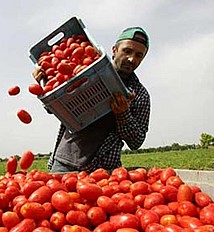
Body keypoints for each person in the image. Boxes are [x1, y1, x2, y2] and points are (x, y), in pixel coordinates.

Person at [33, 27, 151, 173]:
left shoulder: (140, 95)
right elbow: (52, 108)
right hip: (66, 162)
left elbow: (136, 142)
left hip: (104, 168)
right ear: (114, 50)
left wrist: (123, 114)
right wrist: (45, 81)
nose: (132, 59)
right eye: (127, 51)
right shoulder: (85, 69)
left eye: (139, 55)